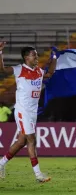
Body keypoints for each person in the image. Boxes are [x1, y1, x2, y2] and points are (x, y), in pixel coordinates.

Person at [0, 41, 57, 182]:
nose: (36, 58)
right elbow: (2, 70)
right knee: (32, 139)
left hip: (32, 112)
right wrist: (0, 52)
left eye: (37, 56)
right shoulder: (19, 69)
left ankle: (1, 164)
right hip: (22, 110)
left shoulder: (38, 71)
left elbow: (50, 73)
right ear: (26, 57)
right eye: (34, 56)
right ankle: (38, 175)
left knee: (21, 142)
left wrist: (55, 58)